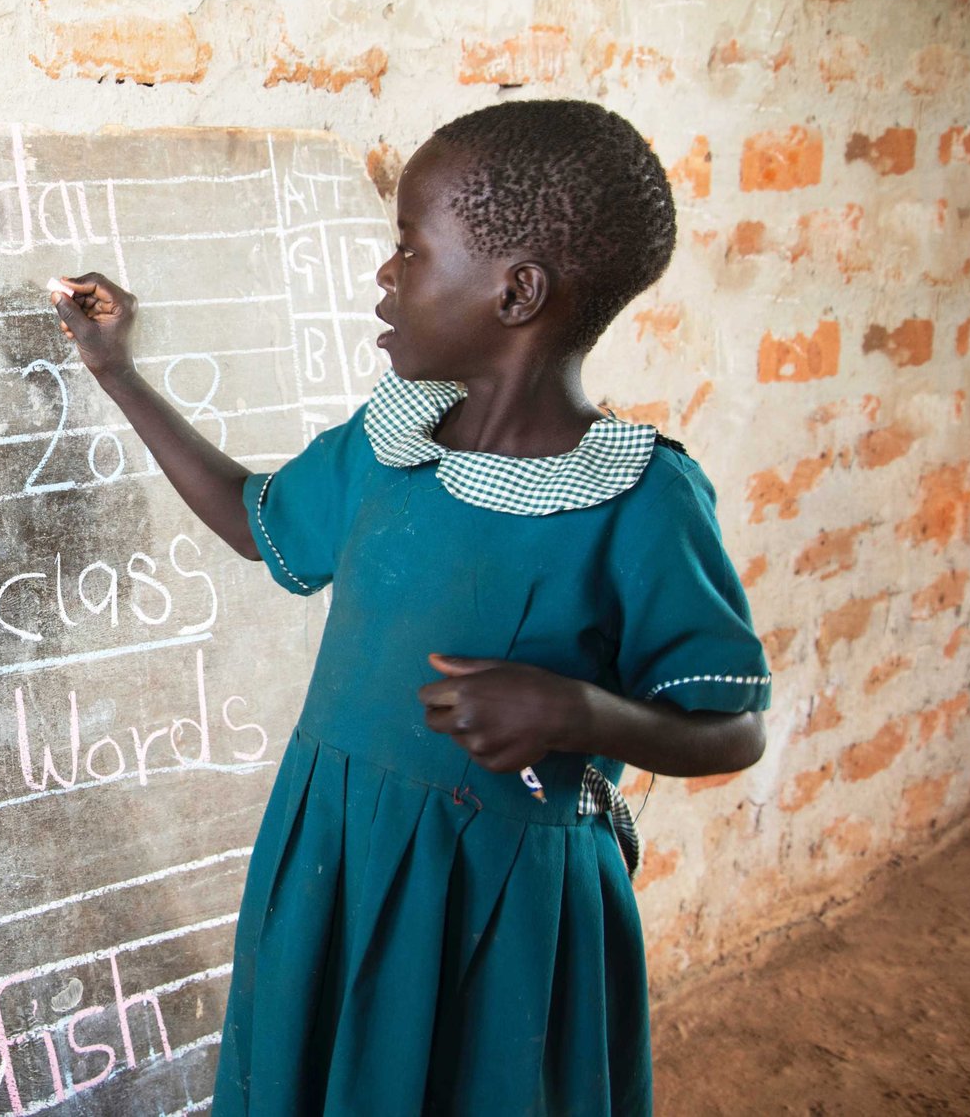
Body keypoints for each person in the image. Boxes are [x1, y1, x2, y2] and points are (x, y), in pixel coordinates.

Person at [50, 99, 770, 1116]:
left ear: (515, 291)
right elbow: (257, 521)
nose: (385, 277)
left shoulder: (637, 498)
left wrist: (577, 715)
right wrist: (116, 371)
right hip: (334, 861)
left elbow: (729, 726)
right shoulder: (395, 442)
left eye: (408, 251)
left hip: (497, 896)